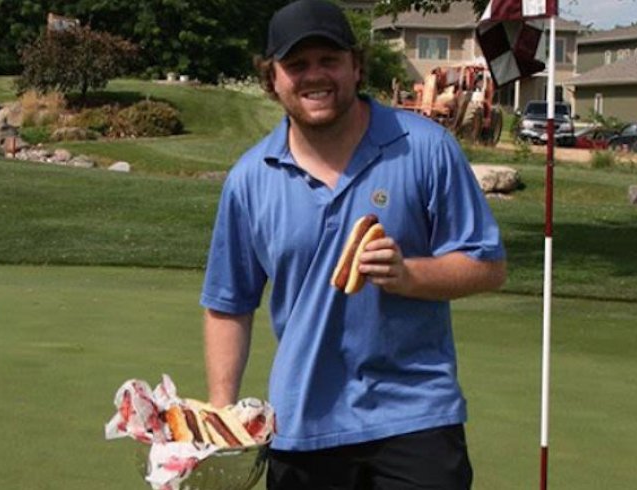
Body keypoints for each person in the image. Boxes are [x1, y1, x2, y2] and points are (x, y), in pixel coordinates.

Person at [199, 1, 507, 488]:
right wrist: (220, 413)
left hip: (417, 417)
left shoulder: (424, 147)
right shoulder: (250, 179)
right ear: (272, 79)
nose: (314, 76)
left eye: (329, 60)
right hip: (302, 424)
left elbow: (487, 264)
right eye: (296, 65)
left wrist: (409, 275)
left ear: (356, 66)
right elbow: (228, 304)